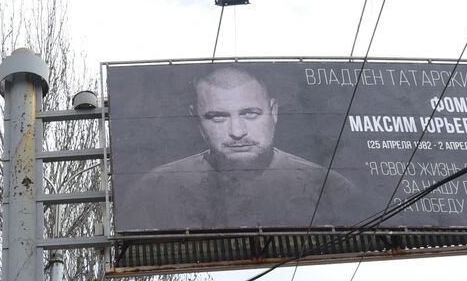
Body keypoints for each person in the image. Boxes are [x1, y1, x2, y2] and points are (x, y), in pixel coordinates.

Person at [134, 66, 361, 230]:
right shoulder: (156, 188)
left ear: (274, 111)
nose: (237, 131)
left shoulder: (330, 187)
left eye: (250, 114)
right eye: (218, 117)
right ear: (197, 120)